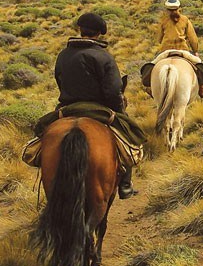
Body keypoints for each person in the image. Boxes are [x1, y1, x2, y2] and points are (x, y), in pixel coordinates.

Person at [53, 12, 139, 198]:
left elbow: (59, 81)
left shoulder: (63, 55)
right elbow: (113, 90)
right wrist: (119, 109)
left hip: (67, 106)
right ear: (99, 33)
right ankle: (125, 184)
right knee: (130, 137)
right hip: (99, 108)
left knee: (43, 133)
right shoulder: (104, 57)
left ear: (80, 30)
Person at [142, 0, 203, 98]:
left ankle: (150, 88)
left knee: (151, 67)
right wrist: (195, 51)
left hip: (165, 51)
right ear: (179, 8)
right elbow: (193, 39)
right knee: (200, 65)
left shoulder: (163, 20)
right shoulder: (185, 20)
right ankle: (202, 88)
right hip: (183, 51)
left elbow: (158, 39)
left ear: (166, 10)